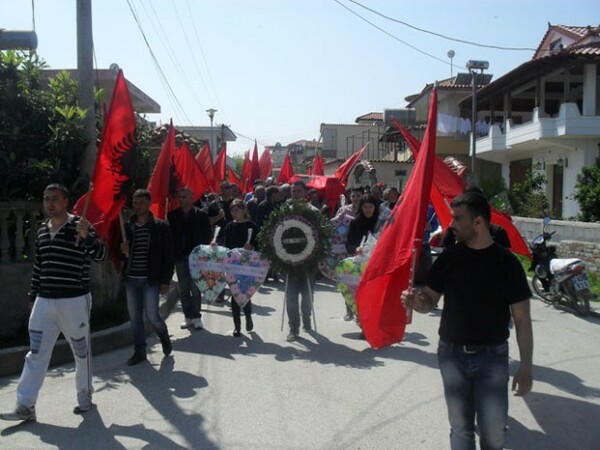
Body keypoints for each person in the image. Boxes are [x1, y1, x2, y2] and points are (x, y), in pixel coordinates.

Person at [401, 191, 533, 450]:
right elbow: (429, 299)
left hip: (492, 358)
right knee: (460, 430)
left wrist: (526, 366)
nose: (451, 225)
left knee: (494, 434)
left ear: (478, 223)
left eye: (457, 219)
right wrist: (417, 302)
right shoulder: (449, 257)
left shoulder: (507, 264)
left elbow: (522, 319)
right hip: (452, 356)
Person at [1, 184, 107, 422]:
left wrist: (87, 237)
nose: (50, 203)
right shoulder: (41, 230)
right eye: (46, 199)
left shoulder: (79, 225)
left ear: (65, 201)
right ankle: (25, 405)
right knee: (36, 353)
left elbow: (101, 255)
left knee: (81, 352)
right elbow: (38, 266)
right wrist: (32, 296)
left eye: (55, 199)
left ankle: (84, 395)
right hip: (44, 302)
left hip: (74, 300)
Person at [120, 189, 175, 366]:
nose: (137, 206)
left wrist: (166, 280)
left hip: (150, 280)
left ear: (149, 203)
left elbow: (168, 255)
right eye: (135, 202)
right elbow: (120, 254)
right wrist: (122, 250)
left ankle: (163, 336)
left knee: (152, 315)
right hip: (131, 279)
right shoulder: (128, 227)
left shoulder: (160, 226)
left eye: (141, 202)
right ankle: (139, 351)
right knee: (134, 318)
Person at [167, 187, 213, 331]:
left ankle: (197, 317)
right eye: (180, 196)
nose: (181, 199)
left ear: (191, 198)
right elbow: (169, 236)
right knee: (183, 289)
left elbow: (208, 235)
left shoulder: (201, 215)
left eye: (184, 196)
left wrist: (204, 252)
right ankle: (187, 317)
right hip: (180, 258)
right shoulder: (172, 216)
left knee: (196, 289)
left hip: (196, 259)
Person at [216, 200, 259, 337]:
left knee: (244, 293)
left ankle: (248, 316)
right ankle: (237, 326)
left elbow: (258, 245)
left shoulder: (251, 225)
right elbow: (226, 245)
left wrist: (251, 247)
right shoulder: (229, 226)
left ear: (243, 210)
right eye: (232, 211)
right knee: (235, 294)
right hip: (233, 265)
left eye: (236, 210)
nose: (233, 213)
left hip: (247, 266)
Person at [285, 181, 321, 341]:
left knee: (307, 295)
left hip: (308, 262)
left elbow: (321, 236)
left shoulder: (313, 212)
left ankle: (306, 319)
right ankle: (293, 328)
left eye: (298, 191)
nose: (295, 194)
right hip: (290, 261)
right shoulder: (285, 211)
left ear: (305, 193)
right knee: (291, 295)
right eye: (293, 191)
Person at [415, 204, 439, 285]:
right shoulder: (411, 205)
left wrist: (430, 227)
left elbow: (435, 225)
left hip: (424, 242)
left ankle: (425, 281)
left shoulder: (430, 209)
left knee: (426, 263)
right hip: (412, 242)